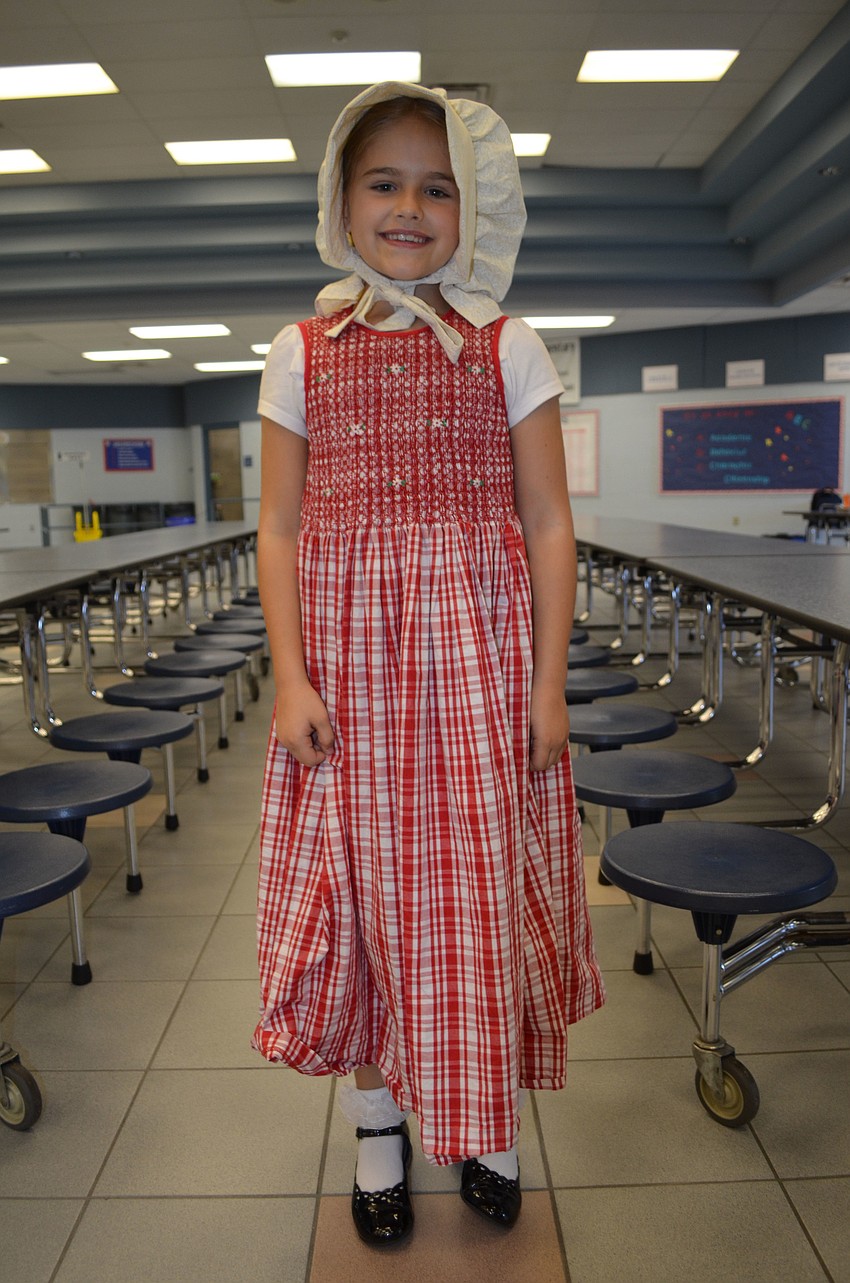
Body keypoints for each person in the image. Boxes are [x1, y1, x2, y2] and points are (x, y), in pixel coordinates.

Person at [253, 80, 604, 1247]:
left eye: (437, 185)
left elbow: (548, 519)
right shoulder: (301, 348)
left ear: (476, 206)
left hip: (478, 668)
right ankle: (375, 1123)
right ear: (341, 200)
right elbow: (283, 529)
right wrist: (293, 674)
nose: (409, 205)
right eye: (384, 182)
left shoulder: (509, 344)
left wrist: (546, 683)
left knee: (472, 893)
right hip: (348, 675)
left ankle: (487, 1121)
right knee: (357, 902)